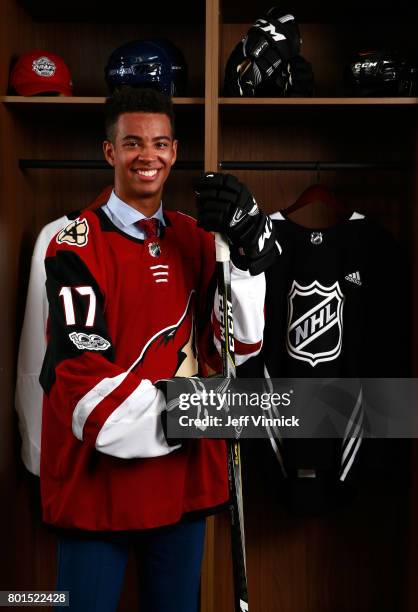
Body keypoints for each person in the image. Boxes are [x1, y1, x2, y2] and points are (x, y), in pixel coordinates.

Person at [39, 86, 278, 611]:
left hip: (181, 489)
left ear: (174, 151)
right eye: (132, 143)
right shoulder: (74, 245)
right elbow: (87, 395)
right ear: (110, 152)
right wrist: (199, 410)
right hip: (94, 494)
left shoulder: (198, 238)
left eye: (160, 143)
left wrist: (245, 256)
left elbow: (237, 345)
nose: (147, 155)